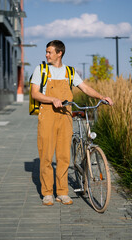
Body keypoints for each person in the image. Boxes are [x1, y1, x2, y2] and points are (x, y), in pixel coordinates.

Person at [31, 40, 113, 206]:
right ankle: (47, 193)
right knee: (46, 155)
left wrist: (101, 96)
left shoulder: (70, 71)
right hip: (47, 115)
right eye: (46, 52)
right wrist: (52, 99)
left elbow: (85, 88)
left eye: (49, 52)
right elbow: (35, 94)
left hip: (65, 115)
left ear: (59, 53)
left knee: (63, 155)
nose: (46, 55)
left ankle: (62, 192)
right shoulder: (41, 70)